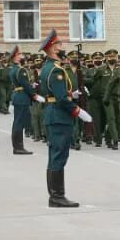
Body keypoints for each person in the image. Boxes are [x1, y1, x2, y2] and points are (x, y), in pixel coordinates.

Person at [40, 30, 90, 207]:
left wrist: (71, 94)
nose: (63, 48)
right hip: (59, 116)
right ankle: (57, 196)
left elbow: (57, 93)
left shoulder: (49, 67)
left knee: (55, 155)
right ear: (52, 48)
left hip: (54, 114)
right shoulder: (56, 70)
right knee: (59, 155)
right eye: (60, 45)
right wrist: (78, 111)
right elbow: (60, 99)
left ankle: (55, 195)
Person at [8, 46, 36, 155]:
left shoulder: (14, 69)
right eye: (20, 54)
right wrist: (33, 94)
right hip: (22, 97)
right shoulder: (21, 69)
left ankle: (17, 146)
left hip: (18, 96)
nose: (22, 56)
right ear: (16, 57)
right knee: (19, 123)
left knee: (17, 122)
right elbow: (25, 85)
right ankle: (18, 147)